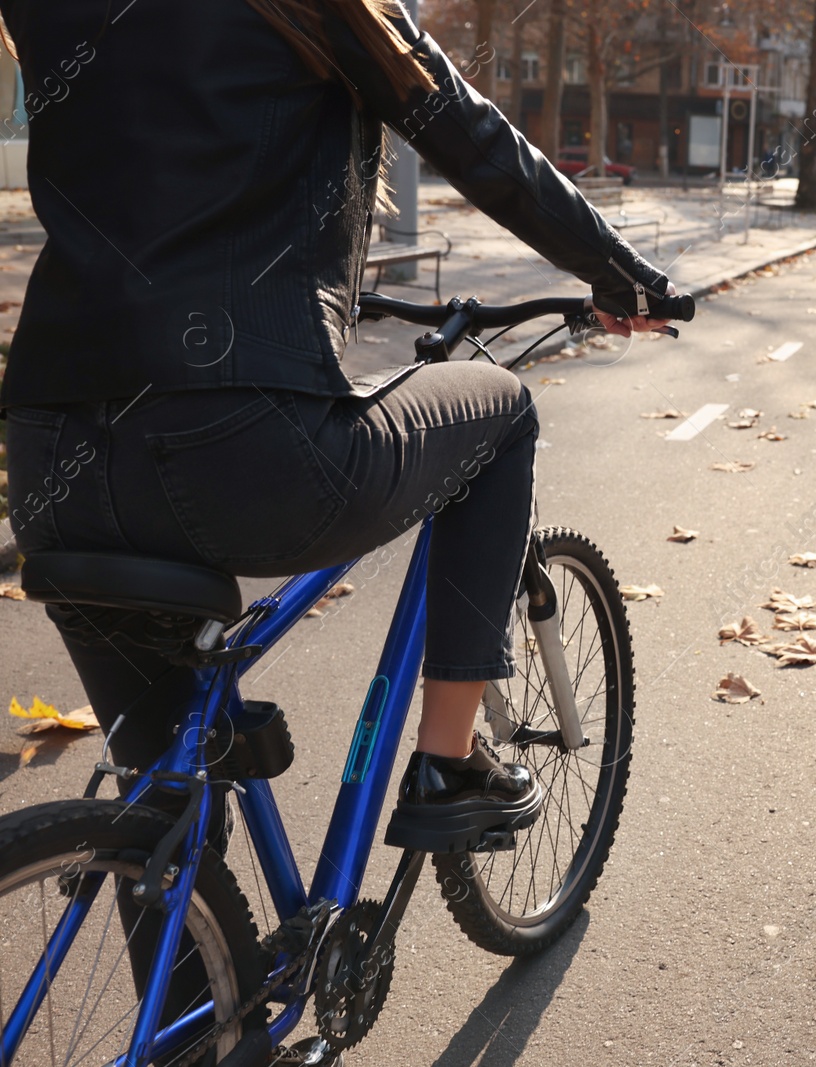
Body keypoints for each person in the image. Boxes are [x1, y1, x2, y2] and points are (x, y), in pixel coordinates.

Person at [0, 0, 677, 851]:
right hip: (236, 446)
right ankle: (449, 762)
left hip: (51, 456)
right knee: (502, 410)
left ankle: (191, 950)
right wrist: (623, 275)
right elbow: (467, 131)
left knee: (162, 835)